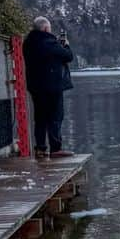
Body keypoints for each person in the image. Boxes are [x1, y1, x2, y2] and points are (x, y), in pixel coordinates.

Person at [22, 16, 75, 159]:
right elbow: (68, 56)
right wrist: (65, 45)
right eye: (49, 28)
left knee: (40, 118)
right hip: (52, 87)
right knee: (55, 117)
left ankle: (40, 148)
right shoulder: (49, 42)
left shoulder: (28, 43)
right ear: (45, 28)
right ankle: (55, 148)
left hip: (35, 87)